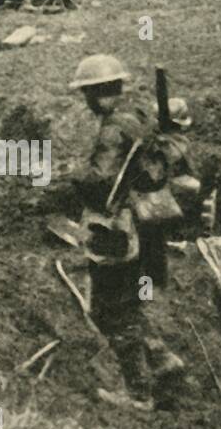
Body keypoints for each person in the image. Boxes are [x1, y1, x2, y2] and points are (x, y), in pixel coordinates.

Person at [69, 54, 186, 409]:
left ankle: (138, 392)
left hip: (116, 227)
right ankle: (162, 358)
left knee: (110, 308)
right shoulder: (140, 118)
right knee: (128, 302)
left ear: (95, 93)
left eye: (87, 93)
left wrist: (70, 176)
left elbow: (101, 181)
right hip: (145, 224)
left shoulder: (112, 129)